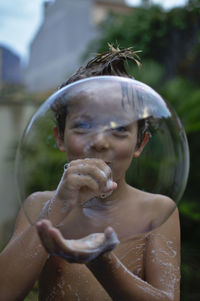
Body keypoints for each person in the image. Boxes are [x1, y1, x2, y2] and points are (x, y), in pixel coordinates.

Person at [0, 47, 180, 301]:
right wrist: (59, 204)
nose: (99, 141)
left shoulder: (157, 211)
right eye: (84, 126)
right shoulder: (40, 206)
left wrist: (102, 262)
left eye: (118, 129)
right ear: (60, 137)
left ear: (139, 144)